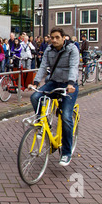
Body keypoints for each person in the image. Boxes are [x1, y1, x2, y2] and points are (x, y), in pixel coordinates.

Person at [28, 27, 80, 167]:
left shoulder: (72, 49)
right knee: (35, 97)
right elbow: (43, 66)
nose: (54, 40)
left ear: (64, 38)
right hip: (53, 82)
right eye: (52, 37)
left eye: (57, 37)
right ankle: (43, 124)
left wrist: (70, 83)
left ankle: (66, 153)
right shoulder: (49, 50)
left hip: (69, 85)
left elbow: (74, 67)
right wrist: (36, 82)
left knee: (66, 117)